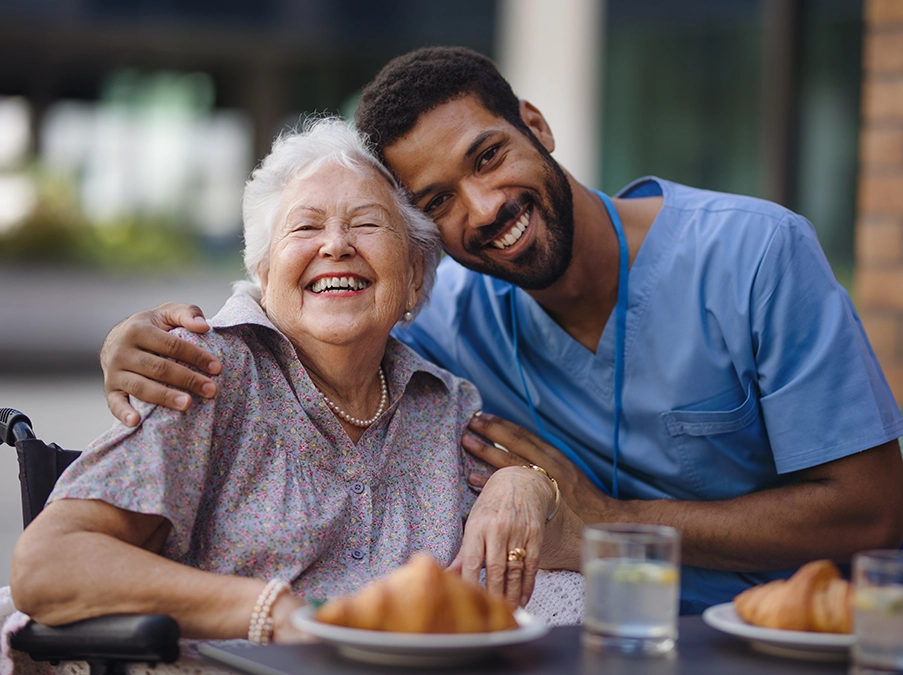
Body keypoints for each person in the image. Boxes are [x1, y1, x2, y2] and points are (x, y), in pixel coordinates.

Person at [97, 47, 903, 615]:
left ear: (536, 125)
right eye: (437, 201)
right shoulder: (447, 322)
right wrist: (141, 339)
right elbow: (315, 302)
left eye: (487, 157)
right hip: (591, 643)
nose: (482, 209)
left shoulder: (755, 253)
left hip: (806, 640)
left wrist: (606, 524)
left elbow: (870, 510)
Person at [9, 118, 581, 643]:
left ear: (413, 280)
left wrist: (528, 485)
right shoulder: (208, 373)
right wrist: (276, 612)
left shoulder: (445, 404)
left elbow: (552, 562)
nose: (335, 244)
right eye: (305, 226)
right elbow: (49, 565)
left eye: (366, 223)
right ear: (264, 272)